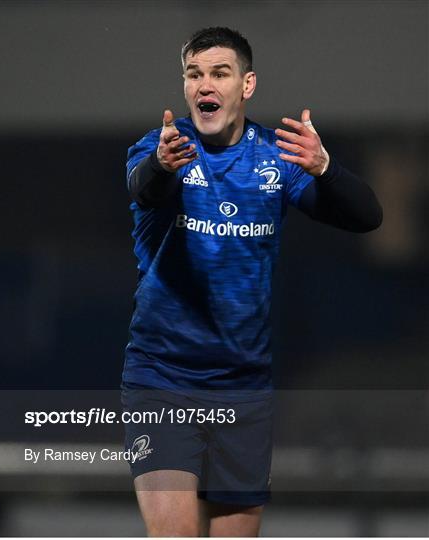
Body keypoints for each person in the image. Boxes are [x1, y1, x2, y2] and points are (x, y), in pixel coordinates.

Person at [121, 27, 382, 537]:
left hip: (243, 385)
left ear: (247, 85)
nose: (204, 85)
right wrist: (159, 165)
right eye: (194, 74)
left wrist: (326, 168)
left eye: (219, 73)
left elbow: (367, 217)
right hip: (163, 378)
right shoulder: (163, 149)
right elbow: (144, 189)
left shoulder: (275, 158)